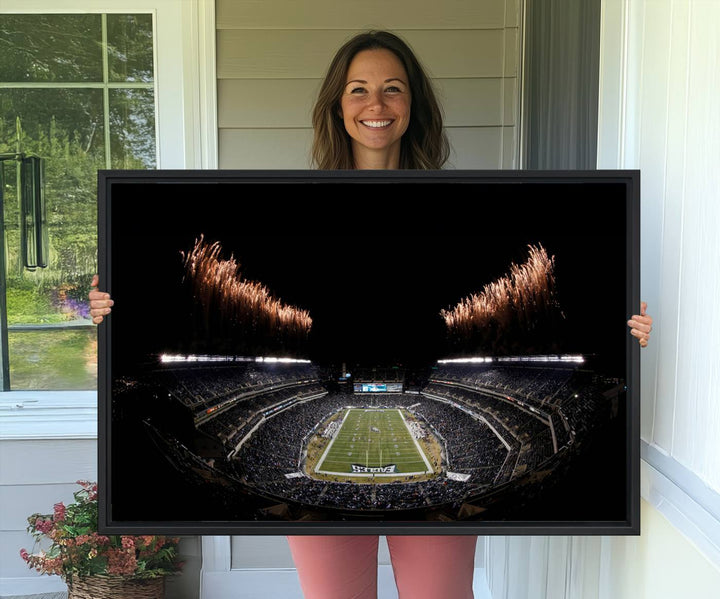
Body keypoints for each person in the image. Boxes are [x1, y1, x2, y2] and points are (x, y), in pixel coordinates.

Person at [89, 30, 653, 599]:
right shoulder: (293, 213)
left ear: (414, 105)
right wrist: (115, 313)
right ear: (338, 105)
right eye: (358, 89)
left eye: (393, 89)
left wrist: (622, 332)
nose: (376, 105)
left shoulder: (461, 210)